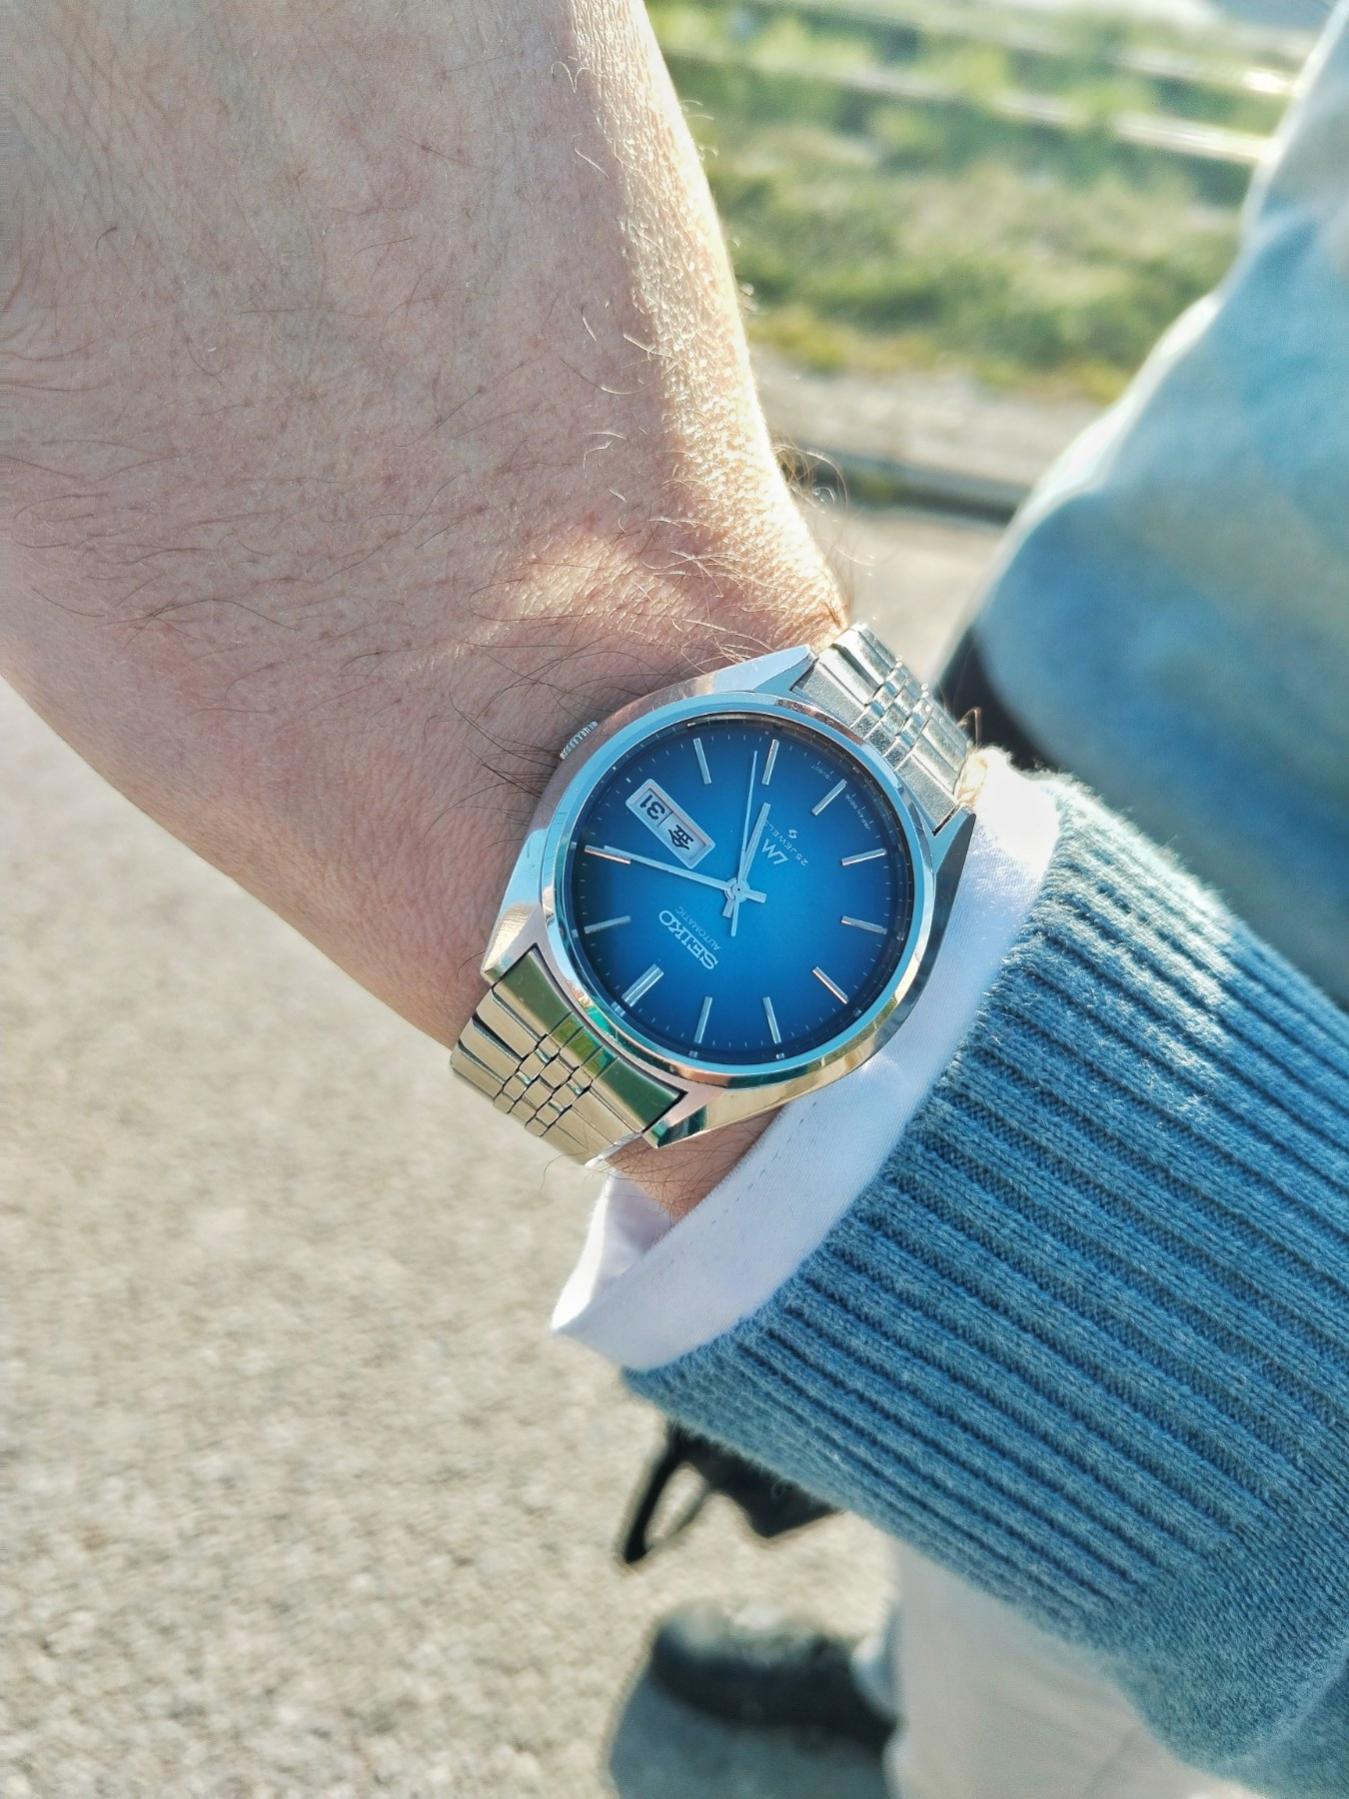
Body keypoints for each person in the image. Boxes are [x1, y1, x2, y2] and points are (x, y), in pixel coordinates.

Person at [3, 4, 1347, 1796]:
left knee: (1059, 1624)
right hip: (1053, 730)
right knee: (980, 1548)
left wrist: (561, 618)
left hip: (1212, 1146)